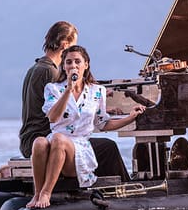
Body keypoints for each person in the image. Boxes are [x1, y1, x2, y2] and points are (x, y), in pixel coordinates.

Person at [27, 45, 145, 208]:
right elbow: (53, 118)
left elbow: (103, 124)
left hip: (78, 149)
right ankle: (38, 194)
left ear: (86, 64)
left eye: (77, 61)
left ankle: (47, 193)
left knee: (59, 139)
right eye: (68, 62)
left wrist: (130, 118)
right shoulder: (53, 88)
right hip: (54, 142)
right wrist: (68, 89)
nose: (73, 66)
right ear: (63, 65)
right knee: (39, 142)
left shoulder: (97, 91)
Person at [18, 21, 130, 180]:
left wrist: (100, 105)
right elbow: (63, 108)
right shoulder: (52, 72)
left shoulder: (36, 67)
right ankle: (121, 188)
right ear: (64, 45)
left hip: (28, 139)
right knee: (108, 147)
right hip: (41, 140)